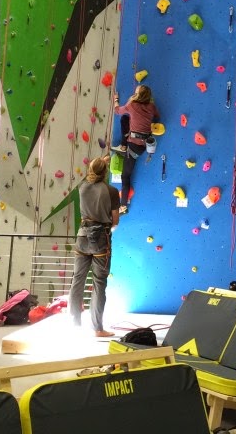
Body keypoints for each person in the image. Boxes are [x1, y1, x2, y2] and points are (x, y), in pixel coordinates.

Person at [69, 156, 120, 337]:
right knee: (99, 283)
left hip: (82, 236)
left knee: (78, 280)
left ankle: (74, 323)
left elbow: (91, 174)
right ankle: (97, 328)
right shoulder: (112, 191)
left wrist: (99, 163)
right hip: (101, 240)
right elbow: (115, 221)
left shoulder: (82, 187)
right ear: (106, 172)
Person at [112, 85, 160, 214]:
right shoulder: (151, 107)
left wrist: (117, 100)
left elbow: (117, 111)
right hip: (144, 144)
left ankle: (123, 206)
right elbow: (157, 115)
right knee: (125, 119)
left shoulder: (132, 105)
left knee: (125, 176)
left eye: (136, 91)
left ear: (138, 95)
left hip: (134, 146)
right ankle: (123, 145)